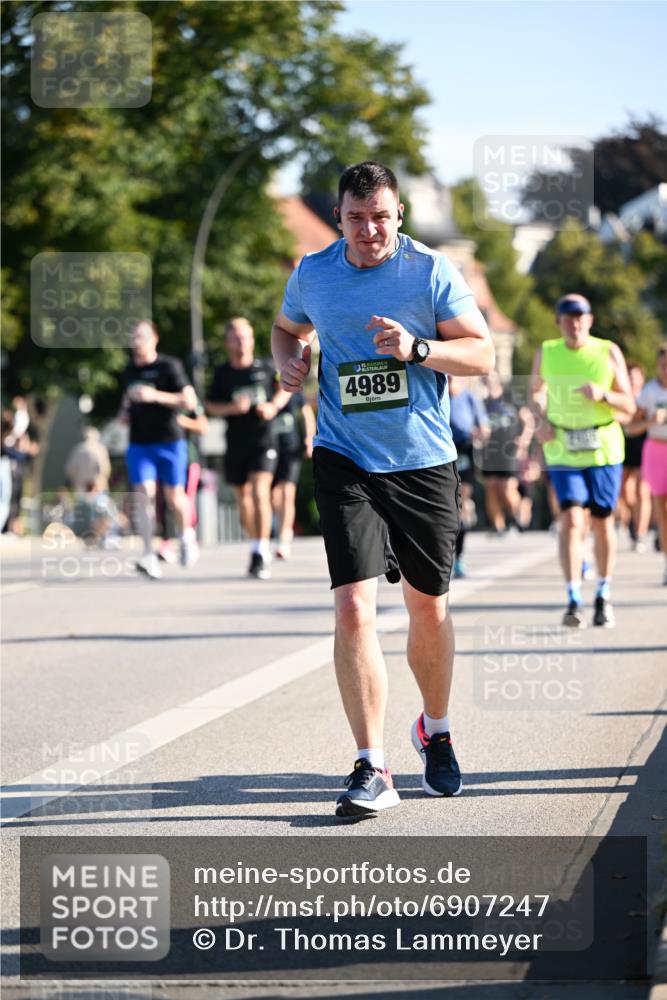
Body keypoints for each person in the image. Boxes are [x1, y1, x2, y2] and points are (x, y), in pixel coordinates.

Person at [271, 161, 494, 817]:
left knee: (428, 608)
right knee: (352, 610)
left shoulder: (428, 271)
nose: (369, 230)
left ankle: (436, 727)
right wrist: (290, 360)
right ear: (338, 216)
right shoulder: (313, 272)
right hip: (344, 456)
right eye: (356, 218)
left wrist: (418, 350)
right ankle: (372, 765)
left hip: (422, 462)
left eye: (381, 218)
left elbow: (480, 354)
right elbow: (288, 328)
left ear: (398, 218)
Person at [529, 294, 634, 628]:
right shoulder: (547, 351)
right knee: (572, 519)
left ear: (590, 320)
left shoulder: (607, 351)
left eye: (580, 317)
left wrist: (604, 394)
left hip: (603, 447)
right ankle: (573, 597)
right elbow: (534, 393)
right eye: (567, 317)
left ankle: (603, 591)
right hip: (562, 447)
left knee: (603, 521)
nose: (574, 322)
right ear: (559, 322)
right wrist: (541, 419)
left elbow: (629, 406)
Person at [207, 317, 289, 580]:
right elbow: (209, 405)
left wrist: (273, 406)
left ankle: (260, 550)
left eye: (246, 336)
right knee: (243, 500)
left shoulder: (265, 366)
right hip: (235, 441)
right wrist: (231, 408)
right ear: (227, 342)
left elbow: (287, 386)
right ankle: (256, 541)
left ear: (252, 338)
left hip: (263, 439)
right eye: (236, 337)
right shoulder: (222, 373)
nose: (242, 341)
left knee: (259, 491)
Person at [119, 320, 198, 578]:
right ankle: (147, 554)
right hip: (140, 443)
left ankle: (187, 536)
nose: (136, 342)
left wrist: (156, 396)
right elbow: (127, 402)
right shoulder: (129, 370)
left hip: (170, 441)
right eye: (133, 337)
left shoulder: (169, 366)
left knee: (174, 496)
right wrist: (123, 413)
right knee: (144, 495)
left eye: (141, 336)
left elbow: (189, 400)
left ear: (154, 338)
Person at [626, 343, 667, 584]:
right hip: (656, 450)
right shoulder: (649, 391)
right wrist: (651, 420)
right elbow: (632, 426)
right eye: (663, 366)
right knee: (662, 511)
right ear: (657, 366)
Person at [448, 375, 489, 577]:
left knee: (460, 504)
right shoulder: (436, 393)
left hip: (464, 450)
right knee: (447, 504)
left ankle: (459, 558)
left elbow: (484, 428)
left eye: (453, 378)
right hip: (441, 451)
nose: (450, 382)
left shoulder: (470, 398)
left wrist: (479, 433)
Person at [479, 370, 527, 534]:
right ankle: (498, 526)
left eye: (490, 376)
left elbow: (528, 420)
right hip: (489, 450)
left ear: (498, 379)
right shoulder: (482, 404)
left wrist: (524, 440)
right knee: (491, 486)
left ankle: (517, 512)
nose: (488, 380)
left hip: (509, 449)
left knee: (506, 487)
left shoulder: (510, 398)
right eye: (485, 377)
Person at [271, 390, 316, 559]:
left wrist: (309, 437)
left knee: (287, 493)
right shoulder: (265, 383)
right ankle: (280, 528)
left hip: (291, 447)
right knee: (273, 496)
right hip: (268, 446)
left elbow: (306, 412)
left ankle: (283, 538)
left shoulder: (292, 386)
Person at [618, 362, 652, 552]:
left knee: (641, 490)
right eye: (628, 375)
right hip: (623, 444)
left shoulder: (646, 396)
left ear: (642, 378)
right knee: (624, 491)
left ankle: (640, 533)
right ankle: (632, 518)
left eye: (635, 376)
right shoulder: (620, 396)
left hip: (643, 443)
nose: (631, 379)